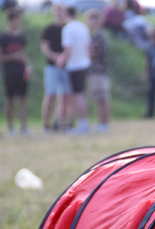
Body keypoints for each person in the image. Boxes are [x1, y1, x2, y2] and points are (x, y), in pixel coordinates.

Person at [57, 5, 92, 134]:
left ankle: (83, 124)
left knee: (78, 95)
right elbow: (88, 47)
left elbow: (68, 49)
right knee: (81, 95)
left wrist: (61, 60)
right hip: (84, 63)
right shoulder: (83, 27)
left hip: (75, 65)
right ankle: (83, 122)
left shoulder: (67, 29)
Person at [0, 9, 32, 135]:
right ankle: (10, 127)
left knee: (23, 99)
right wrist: (14, 56)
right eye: (17, 20)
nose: (19, 23)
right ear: (11, 21)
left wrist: (28, 66)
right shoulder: (3, 38)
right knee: (10, 100)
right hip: (9, 73)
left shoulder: (20, 37)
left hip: (21, 72)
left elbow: (23, 54)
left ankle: (24, 127)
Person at [41, 3, 70, 132]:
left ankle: (61, 123)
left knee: (64, 96)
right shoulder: (49, 29)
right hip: (52, 66)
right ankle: (46, 124)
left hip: (66, 66)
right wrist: (54, 57)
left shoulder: (68, 28)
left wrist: (63, 57)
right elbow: (44, 46)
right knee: (50, 95)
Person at [85, 9, 110, 132]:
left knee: (101, 98)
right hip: (97, 70)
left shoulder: (97, 36)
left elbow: (92, 54)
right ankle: (101, 122)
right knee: (99, 98)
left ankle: (103, 123)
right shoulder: (97, 35)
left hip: (97, 70)